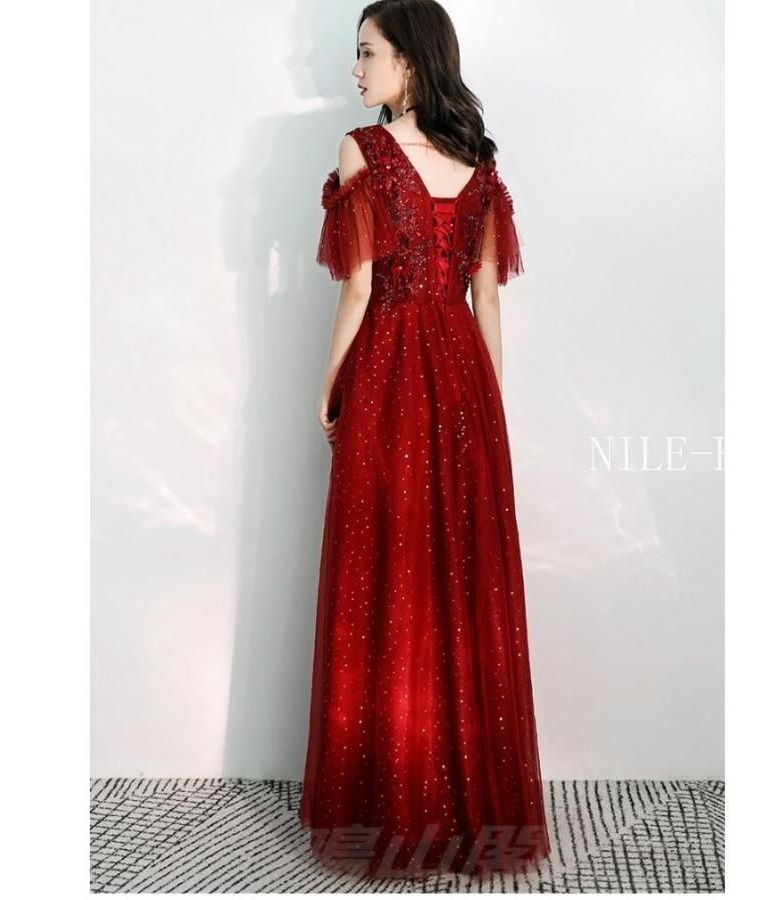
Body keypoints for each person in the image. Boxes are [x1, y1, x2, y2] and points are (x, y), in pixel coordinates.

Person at [299, 0, 550, 881]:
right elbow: (489, 301)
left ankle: (389, 804)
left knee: (386, 566)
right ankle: (465, 809)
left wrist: (327, 384)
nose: (356, 69)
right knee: (458, 576)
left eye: (367, 52)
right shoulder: (480, 162)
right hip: (465, 380)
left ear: (409, 59)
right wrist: (490, 409)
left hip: (390, 373)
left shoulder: (362, 152)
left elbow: (360, 290)